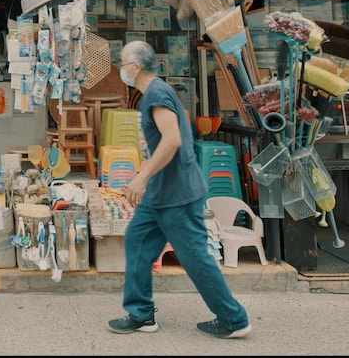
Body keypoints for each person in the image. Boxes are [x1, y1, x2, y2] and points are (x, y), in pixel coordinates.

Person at [107, 40, 252, 339]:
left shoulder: (156, 93)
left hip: (178, 194)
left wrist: (140, 178)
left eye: (122, 63)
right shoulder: (151, 94)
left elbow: (171, 140)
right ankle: (141, 314)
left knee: (195, 257)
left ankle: (234, 320)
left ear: (135, 67)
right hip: (161, 194)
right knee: (137, 242)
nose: (121, 68)